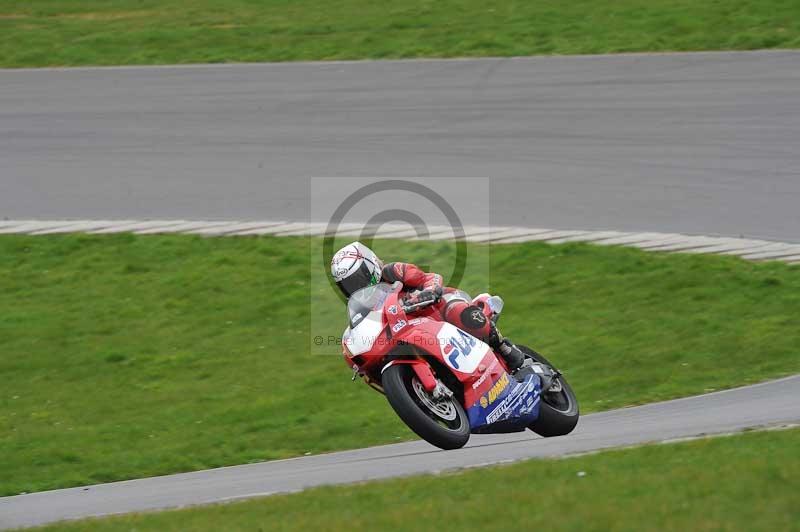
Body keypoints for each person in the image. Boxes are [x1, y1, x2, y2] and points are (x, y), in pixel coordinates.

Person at [330, 241, 526, 371]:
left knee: (460, 314)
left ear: (370, 265)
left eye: (357, 279)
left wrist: (428, 292)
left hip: (437, 309)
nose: (354, 287)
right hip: (411, 336)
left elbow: (430, 278)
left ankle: (503, 347)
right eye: (346, 285)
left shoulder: (393, 272)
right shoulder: (362, 309)